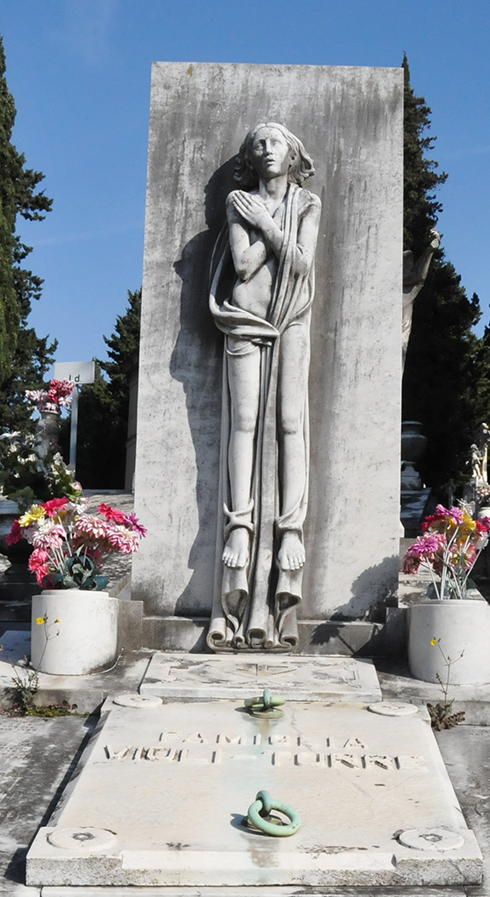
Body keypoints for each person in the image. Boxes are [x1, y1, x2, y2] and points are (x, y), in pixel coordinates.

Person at [207, 122, 321, 649]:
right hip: (246, 321)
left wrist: (268, 226)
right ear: (250, 159)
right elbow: (243, 264)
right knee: (246, 425)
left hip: (293, 318)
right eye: (259, 144)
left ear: (293, 154)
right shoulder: (238, 201)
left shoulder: (308, 203)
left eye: (277, 142)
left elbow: (301, 266)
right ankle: (239, 526)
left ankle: (290, 533)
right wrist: (260, 223)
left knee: (290, 422)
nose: (267, 149)